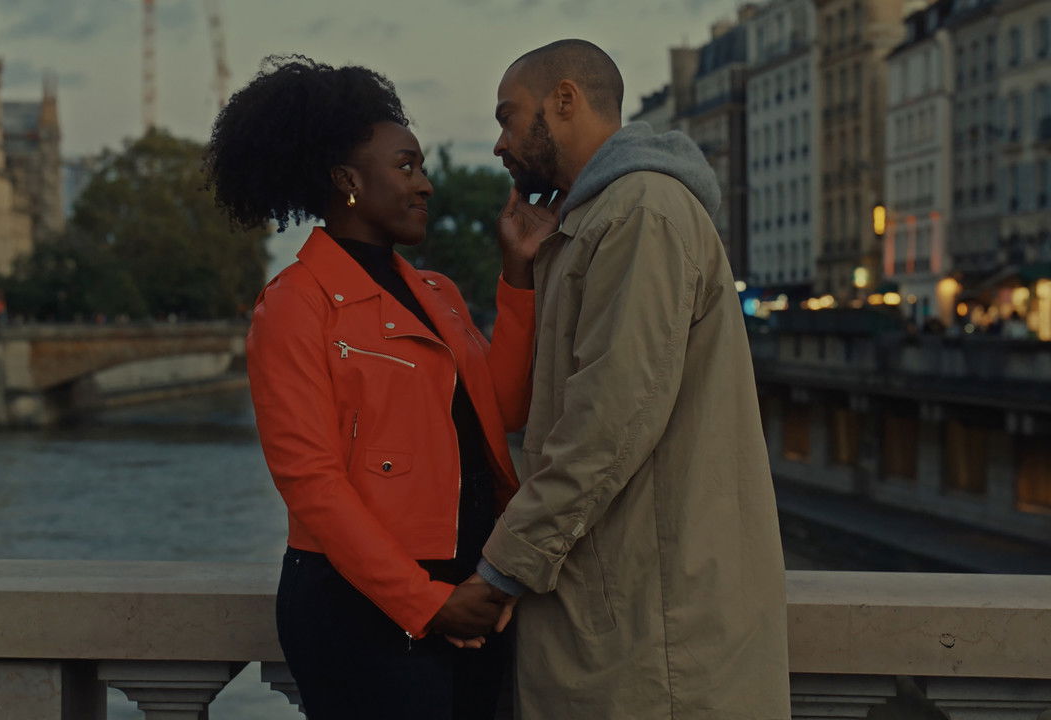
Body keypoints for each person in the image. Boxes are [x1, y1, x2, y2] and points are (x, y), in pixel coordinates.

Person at [204, 55, 553, 719]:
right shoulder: (295, 304)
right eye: (406, 166)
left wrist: (518, 276)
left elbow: (504, 409)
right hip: (359, 607)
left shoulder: (438, 293)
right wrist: (427, 602)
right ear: (348, 181)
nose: (425, 184)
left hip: (471, 593)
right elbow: (311, 481)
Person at [468, 39, 792, 718]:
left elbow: (608, 421)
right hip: (635, 617)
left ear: (564, 100)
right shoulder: (599, 220)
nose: (500, 144)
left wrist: (503, 568)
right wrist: (525, 268)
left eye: (507, 117)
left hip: (652, 635)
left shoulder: (641, 212)